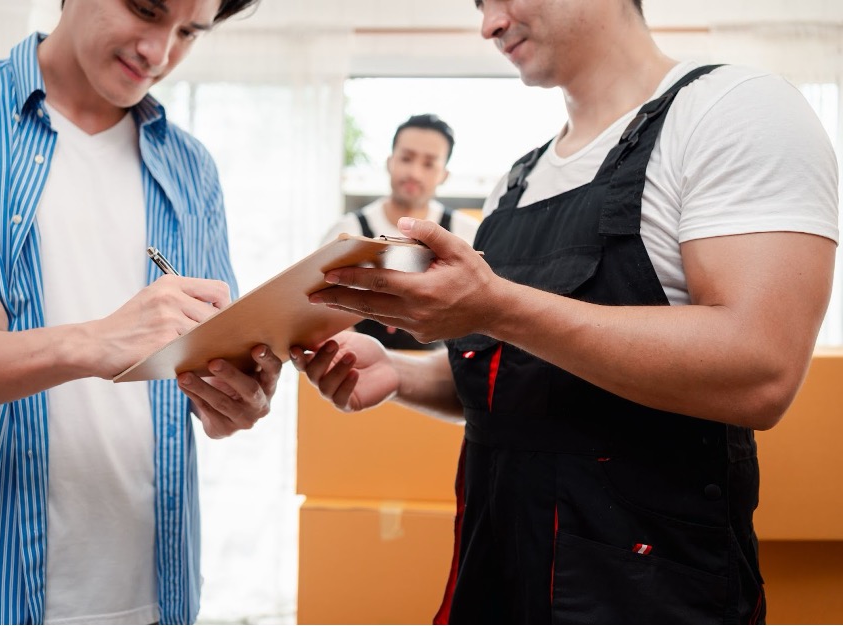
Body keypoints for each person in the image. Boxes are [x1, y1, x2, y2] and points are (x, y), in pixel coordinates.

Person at [292, 0, 839, 623]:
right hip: (493, 579)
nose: (488, 25)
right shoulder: (515, 184)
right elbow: (521, 373)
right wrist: (399, 372)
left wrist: (495, 307)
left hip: (647, 593)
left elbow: (759, 369)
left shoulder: (736, 112)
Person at [0, 0, 283, 623]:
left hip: (155, 590)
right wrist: (97, 341)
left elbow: (215, 382)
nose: (160, 53)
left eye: (189, 31)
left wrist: (236, 401)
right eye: (146, 10)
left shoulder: (193, 170)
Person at [322, 113, 478, 349]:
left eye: (429, 164)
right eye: (406, 158)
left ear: (444, 174)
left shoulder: (467, 234)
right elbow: (320, 309)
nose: (414, 173)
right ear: (390, 162)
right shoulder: (346, 231)